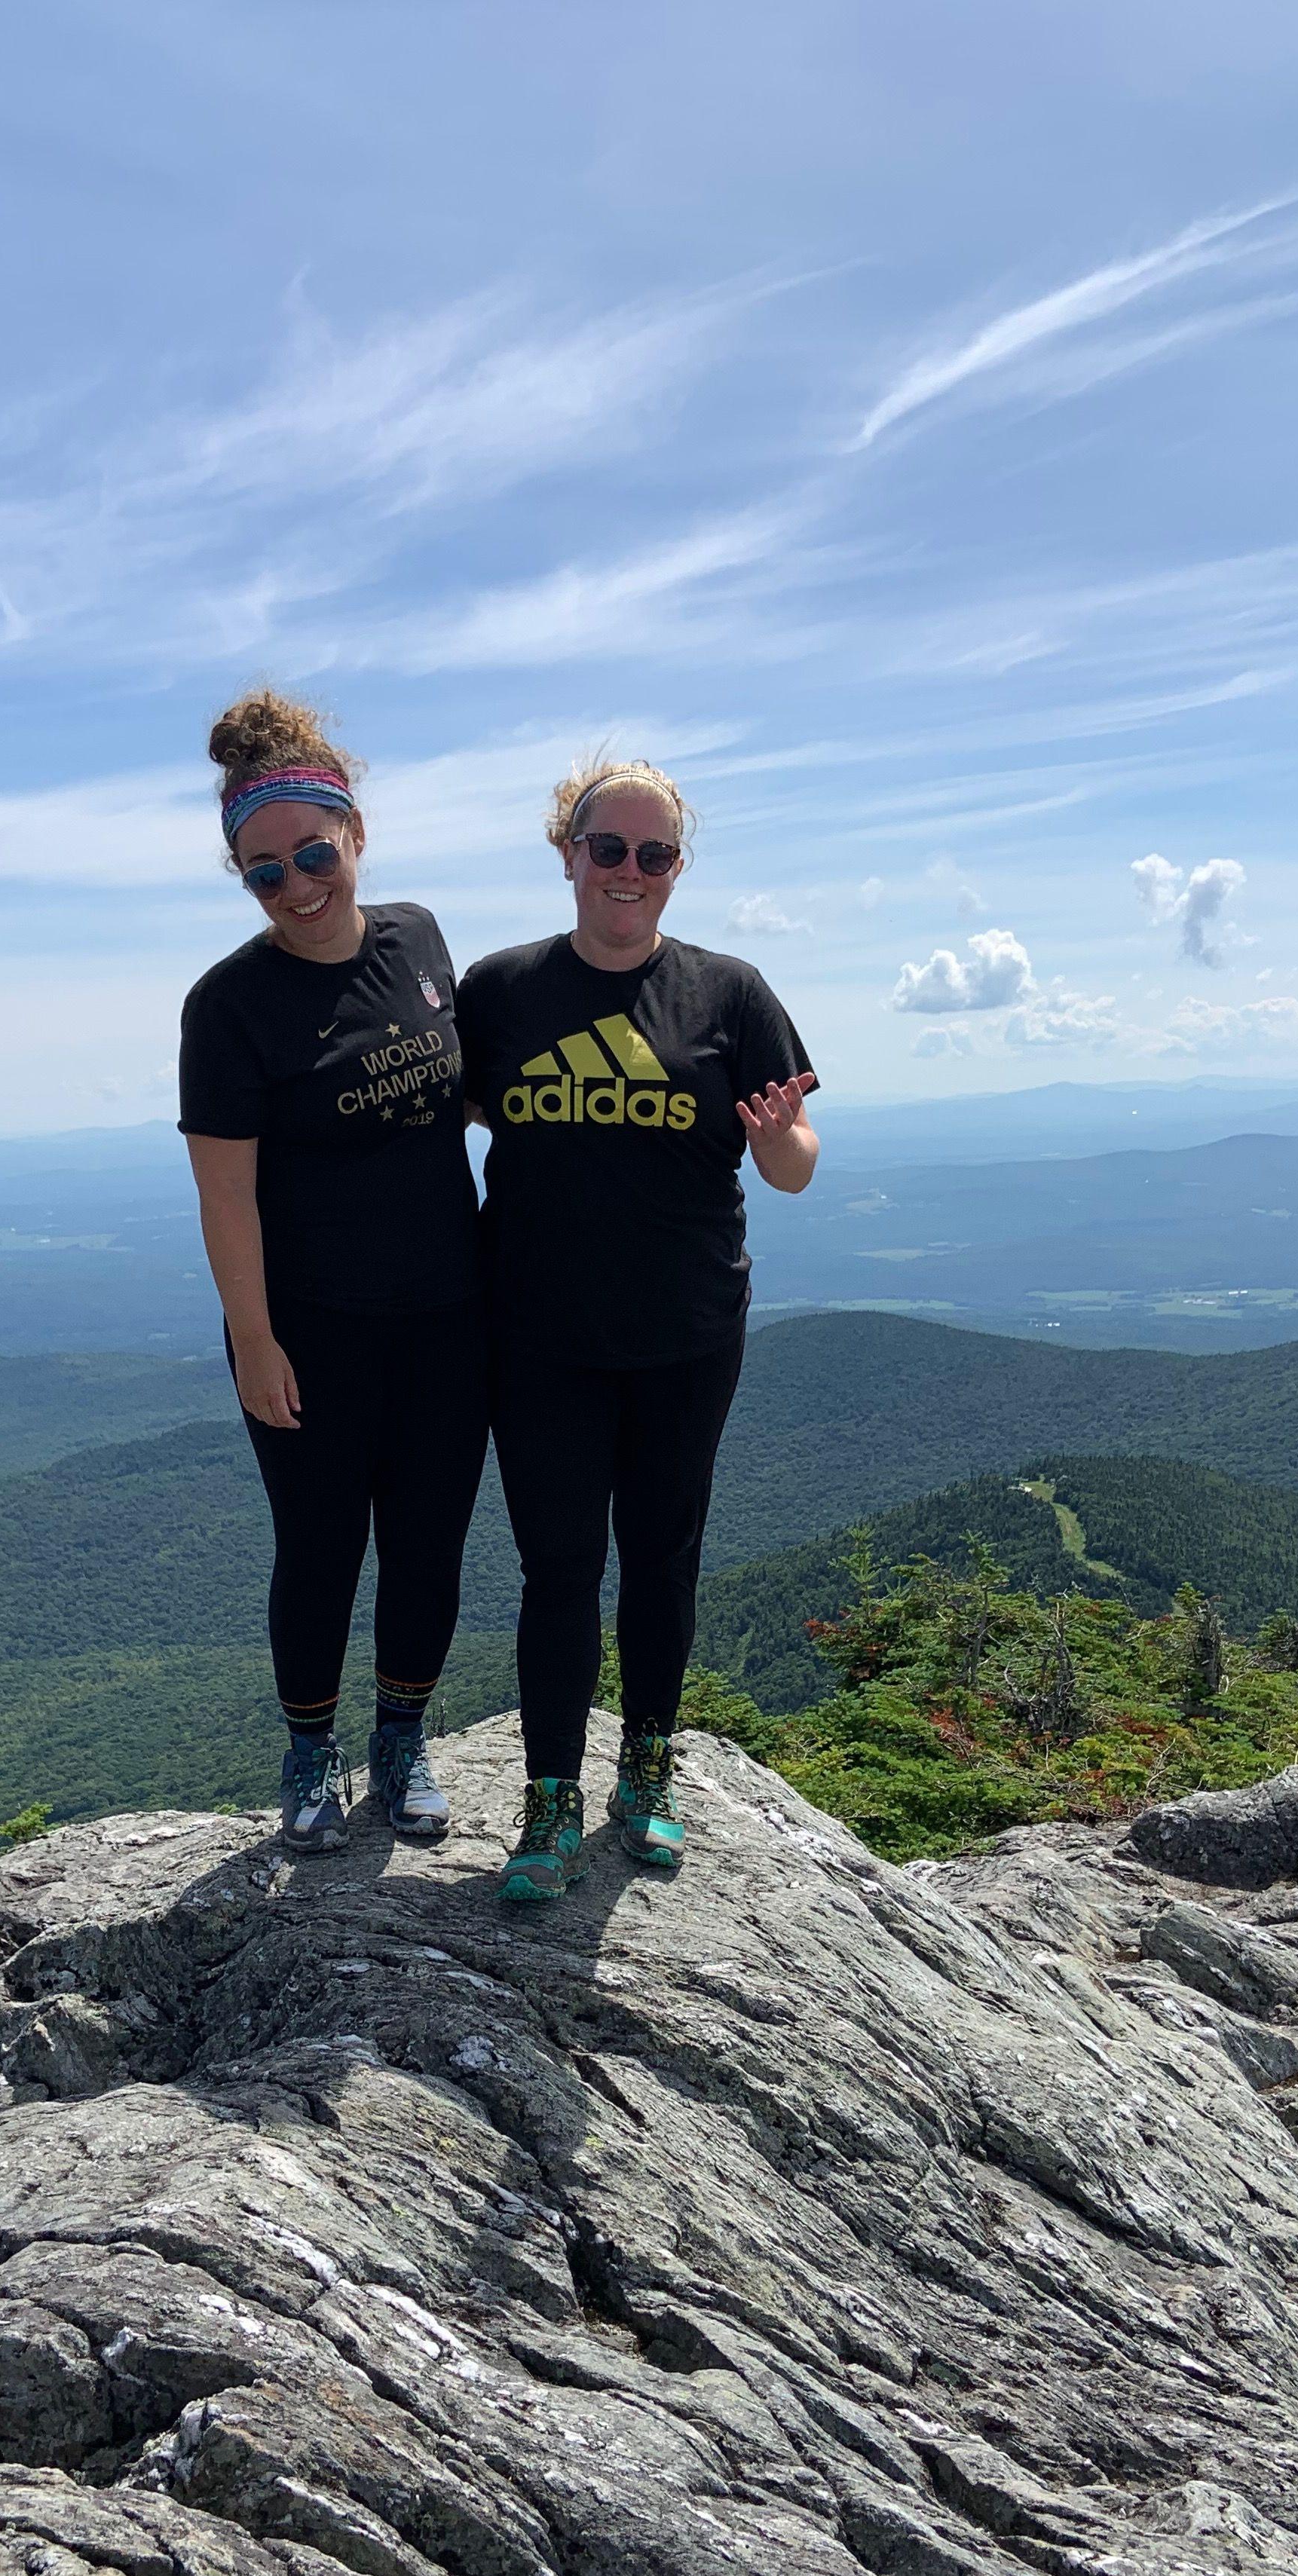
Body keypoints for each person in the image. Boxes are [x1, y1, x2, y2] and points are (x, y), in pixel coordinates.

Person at [455, 757, 819, 1904]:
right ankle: (551, 1798)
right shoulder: (503, 990)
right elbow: (446, 1118)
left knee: (663, 1557)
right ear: (566, 853)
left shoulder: (732, 994)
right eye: (606, 848)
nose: (628, 872)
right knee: (558, 1566)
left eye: (653, 854)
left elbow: (797, 1162)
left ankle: (648, 1768)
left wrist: (775, 1145)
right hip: (539, 1336)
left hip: (686, 1333)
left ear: (677, 868)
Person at [176, 690, 488, 1852]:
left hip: (450, 1315)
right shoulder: (230, 1006)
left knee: (428, 1543)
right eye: (266, 871)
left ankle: (400, 1742)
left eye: (315, 854)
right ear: (243, 879)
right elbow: (225, 1194)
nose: (299, 885)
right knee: (319, 1551)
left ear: (357, 836)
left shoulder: (418, 938)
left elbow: (459, 1091)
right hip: (306, 1329)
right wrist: (255, 1342)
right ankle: (309, 1753)